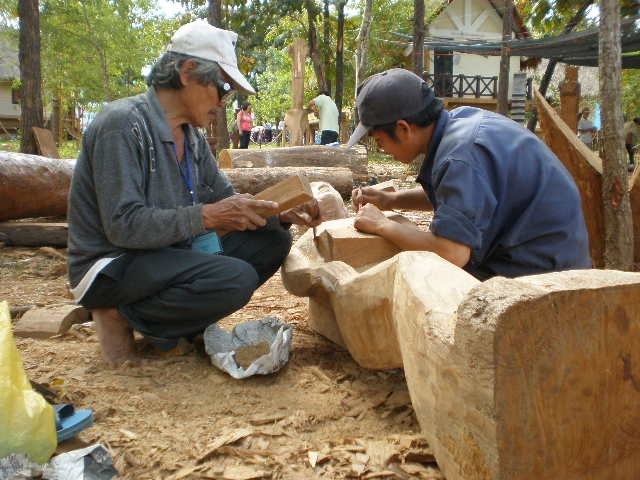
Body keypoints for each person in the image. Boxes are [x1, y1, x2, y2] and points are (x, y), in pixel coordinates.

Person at [67, 20, 320, 368]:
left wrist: (278, 212)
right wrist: (208, 216)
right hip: (111, 264)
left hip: (164, 254)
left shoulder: (193, 137)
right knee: (235, 278)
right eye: (222, 89)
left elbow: (225, 197)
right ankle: (121, 314)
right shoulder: (122, 124)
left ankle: (171, 324)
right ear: (187, 72)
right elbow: (122, 226)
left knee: (271, 239)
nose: (223, 102)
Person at [347, 68, 591, 280]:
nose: (384, 150)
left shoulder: (460, 156)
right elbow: (461, 199)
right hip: (546, 254)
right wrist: (391, 200)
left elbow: (452, 252)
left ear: (403, 128)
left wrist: (382, 225)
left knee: (417, 284)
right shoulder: (459, 124)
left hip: (539, 273)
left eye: (380, 142)